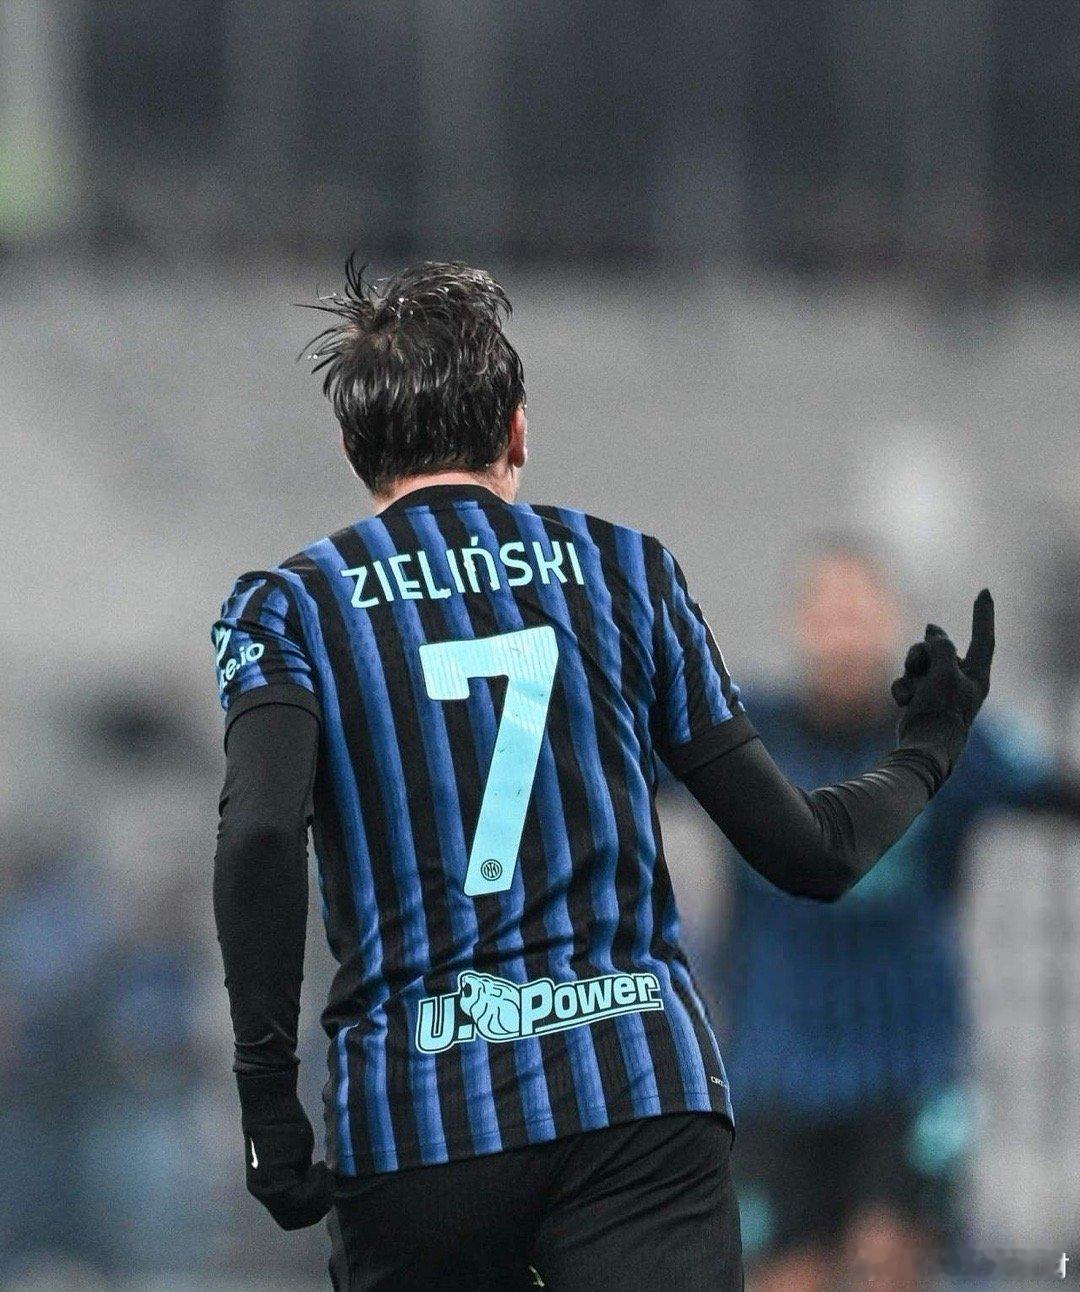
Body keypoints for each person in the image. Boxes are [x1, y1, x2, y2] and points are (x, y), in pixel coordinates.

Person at [209, 261, 994, 1290]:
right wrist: (928, 745)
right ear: (517, 432)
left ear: (357, 450)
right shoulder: (628, 571)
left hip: (418, 1115)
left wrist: (268, 1100)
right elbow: (810, 852)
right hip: (633, 1094)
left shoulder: (287, 608)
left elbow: (260, 836)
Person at [708, 541, 1079, 1291]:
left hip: (909, 1070)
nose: (843, 634)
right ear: (799, 624)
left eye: (859, 613)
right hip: (776, 1068)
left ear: (891, 623)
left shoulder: (947, 737)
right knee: (788, 1278)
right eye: (828, 614)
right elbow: (613, 772)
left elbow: (1057, 793)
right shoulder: (746, 737)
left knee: (888, 1265)